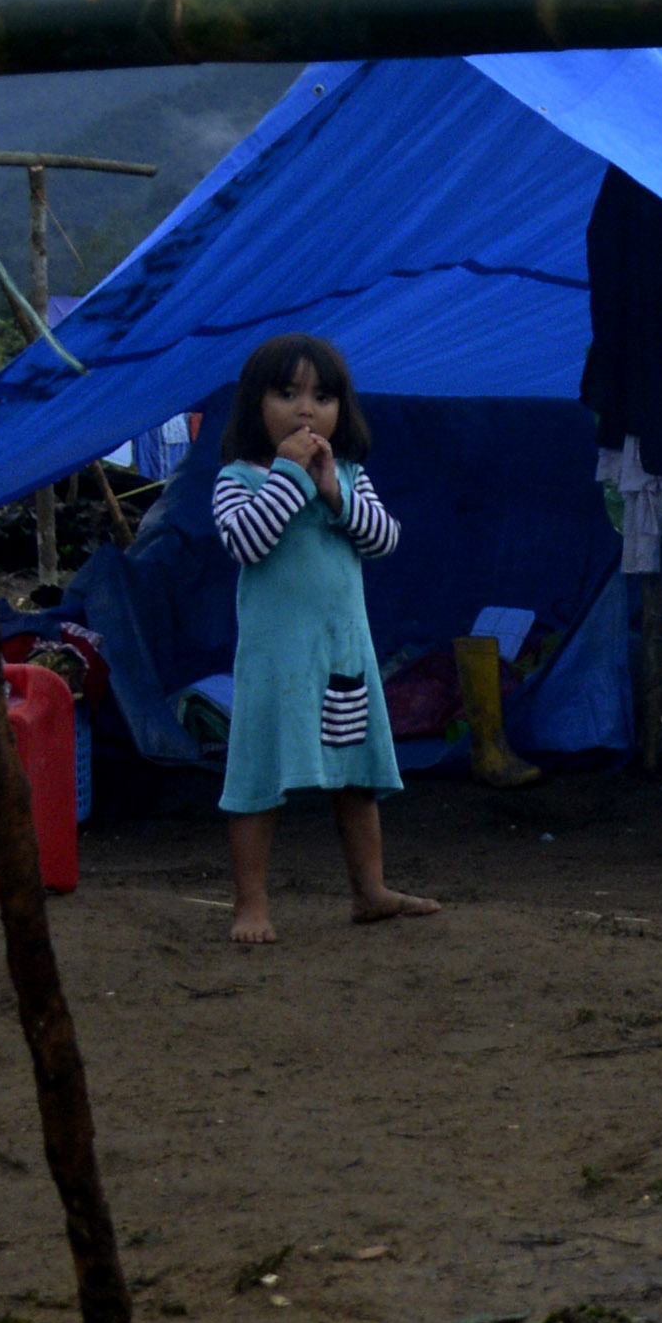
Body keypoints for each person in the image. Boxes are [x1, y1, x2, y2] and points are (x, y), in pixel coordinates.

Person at [208, 332, 440, 945]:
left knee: (357, 777)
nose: (306, 410)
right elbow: (247, 543)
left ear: (344, 409)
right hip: (273, 666)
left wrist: (334, 491)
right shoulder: (238, 479)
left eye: (322, 396)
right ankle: (250, 905)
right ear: (255, 405)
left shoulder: (352, 478)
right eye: (287, 393)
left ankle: (370, 892)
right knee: (258, 780)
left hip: (342, 657)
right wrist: (291, 474)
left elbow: (385, 539)